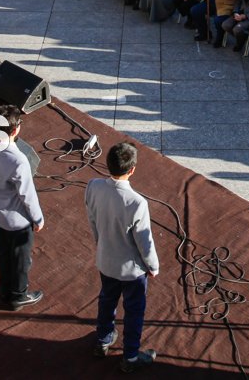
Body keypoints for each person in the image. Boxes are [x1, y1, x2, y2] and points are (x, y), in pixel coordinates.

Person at [86, 142, 159, 372]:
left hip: (105, 262)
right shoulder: (137, 203)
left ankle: (103, 340)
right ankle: (130, 357)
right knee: (134, 311)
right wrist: (153, 266)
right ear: (132, 169)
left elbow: (92, 220)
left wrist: (101, 243)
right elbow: (144, 242)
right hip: (132, 271)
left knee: (106, 301)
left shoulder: (93, 186)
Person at [0, 105, 45, 310]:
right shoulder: (18, 161)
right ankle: (18, 295)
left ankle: (5, 289)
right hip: (18, 220)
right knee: (21, 260)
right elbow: (27, 194)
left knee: (4, 255)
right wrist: (38, 218)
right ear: (15, 130)